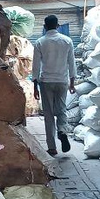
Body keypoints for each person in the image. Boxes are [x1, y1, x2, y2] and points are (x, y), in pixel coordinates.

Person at [32, 15, 76, 156]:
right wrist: (72, 82)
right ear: (58, 26)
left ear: (45, 27)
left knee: (49, 114)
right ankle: (62, 130)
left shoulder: (40, 42)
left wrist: (35, 86)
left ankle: (52, 147)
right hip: (62, 81)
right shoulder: (67, 41)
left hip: (46, 82)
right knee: (62, 109)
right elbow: (72, 63)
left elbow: (36, 66)